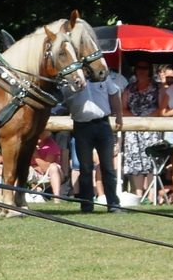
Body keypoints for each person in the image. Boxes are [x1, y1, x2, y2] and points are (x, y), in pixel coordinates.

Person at [65, 62, 124, 212]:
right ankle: (86, 204)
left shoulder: (103, 77)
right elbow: (65, 100)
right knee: (85, 168)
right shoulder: (71, 81)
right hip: (82, 126)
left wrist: (119, 116)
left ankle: (113, 204)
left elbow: (113, 94)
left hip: (103, 124)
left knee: (108, 167)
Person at [119, 59, 167, 197]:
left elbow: (161, 107)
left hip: (152, 128)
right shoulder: (129, 88)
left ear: (150, 70)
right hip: (133, 129)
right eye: (139, 67)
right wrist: (136, 119)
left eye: (145, 68)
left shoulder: (158, 87)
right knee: (135, 163)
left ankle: (151, 195)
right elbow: (123, 108)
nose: (142, 70)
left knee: (152, 162)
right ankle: (139, 195)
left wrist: (148, 120)